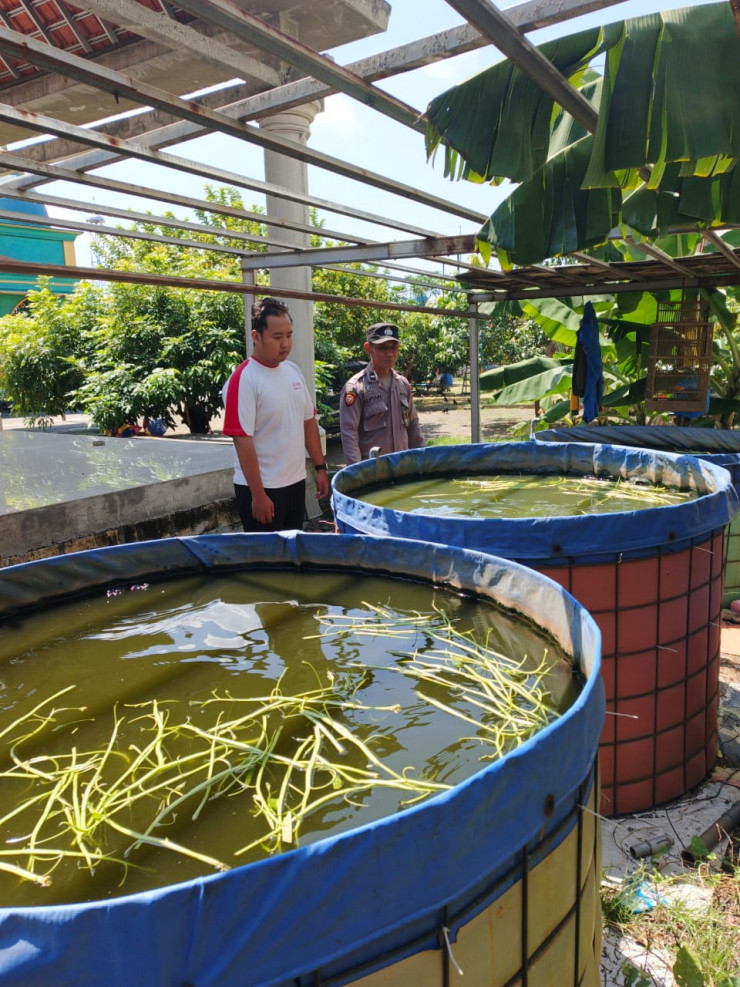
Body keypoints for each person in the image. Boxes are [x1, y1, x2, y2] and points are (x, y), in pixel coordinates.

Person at [222, 297, 330, 531]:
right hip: (263, 489)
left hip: (295, 483)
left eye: (289, 336)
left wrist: (320, 468)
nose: (285, 344)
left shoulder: (293, 371)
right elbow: (242, 440)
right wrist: (258, 495)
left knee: (291, 548)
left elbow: (308, 421)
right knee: (267, 552)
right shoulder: (244, 379)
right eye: (277, 337)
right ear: (256, 336)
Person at [339, 322, 425, 465]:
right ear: (368, 348)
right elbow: (349, 433)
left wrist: (422, 460)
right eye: (383, 348)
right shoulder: (356, 387)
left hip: (402, 467)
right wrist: (357, 472)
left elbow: (413, 425)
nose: (390, 353)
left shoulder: (402, 384)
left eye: (394, 347)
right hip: (373, 470)